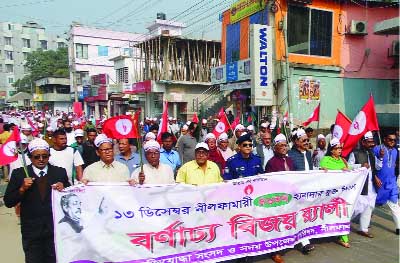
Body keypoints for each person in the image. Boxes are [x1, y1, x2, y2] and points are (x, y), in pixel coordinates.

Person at [4, 138, 70, 263]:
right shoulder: (19, 174)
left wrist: (64, 188)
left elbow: (71, 197)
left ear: (49, 156)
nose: (41, 159)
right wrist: (22, 189)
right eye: (37, 156)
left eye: (44, 156)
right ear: (30, 157)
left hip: (55, 231)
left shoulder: (59, 172)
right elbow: (8, 201)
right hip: (32, 231)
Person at [264, 134, 294, 262]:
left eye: (285, 145)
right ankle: (274, 252)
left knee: (287, 223)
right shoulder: (271, 163)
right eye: (280, 145)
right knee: (276, 225)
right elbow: (269, 183)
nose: (283, 147)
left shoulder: (290, 160)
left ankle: (284, 245)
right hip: (277, 199)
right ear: (275, 148)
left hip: (290, 196)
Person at [320, 138, 351, 248]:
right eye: (337, 148)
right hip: (328, 194)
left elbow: (351, 173)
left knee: (342, 214)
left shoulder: (343, 160)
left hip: (341, 194)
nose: (339, 150)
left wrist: (348, 170)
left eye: (340, 148)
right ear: (331, 150)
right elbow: (321, 170)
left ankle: (343, 237)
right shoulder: (326, 159)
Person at [287, 128, 315, 253]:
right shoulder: (290, 155)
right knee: (299, 215)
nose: (306, 142)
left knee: (306, 215)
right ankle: (304, 242)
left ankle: (305, 237)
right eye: (304, 140)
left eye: (307, 140)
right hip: (296, 191)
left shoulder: (308, 153)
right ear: (296, 141)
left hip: (309, 190)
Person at [348, 131, 378, 238]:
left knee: (369, 207)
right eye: (369, 142)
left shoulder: (372, 153)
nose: (371, 144)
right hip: (360, 186)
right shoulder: (355, 153)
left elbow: (375, 168)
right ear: (363, 142)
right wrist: (360, 165)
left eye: (372, 142)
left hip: (371, 185)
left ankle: (363, 229)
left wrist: (376, 177)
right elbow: (348, 166)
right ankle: (342, 225)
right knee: (356, 208)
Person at [373, 130, 400, 235]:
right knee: (370, 204)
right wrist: (375, 177)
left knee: (394, 204)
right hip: (379, 183)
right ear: (384, 139)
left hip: (391, 182)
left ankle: (398, 228)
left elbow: (394, 165)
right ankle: (363, 223)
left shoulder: (395, 151)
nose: (392, 141)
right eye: (390, 139)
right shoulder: (376, 149)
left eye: (394, 140)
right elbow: (373, 166)